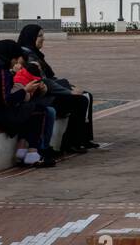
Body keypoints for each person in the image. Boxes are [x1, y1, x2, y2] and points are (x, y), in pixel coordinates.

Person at [18, 23, 98, 154]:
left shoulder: (34, 53)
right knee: (80, 100)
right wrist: (68, 91)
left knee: (86, 95)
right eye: (39, 36)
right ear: (31, 37)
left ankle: (83, 138)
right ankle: (71, 142)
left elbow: (49, 78)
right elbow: (44, 81)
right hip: (42, 96)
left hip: (48, 91)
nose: (43, 39)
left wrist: (67, 86)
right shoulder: (29, 56)